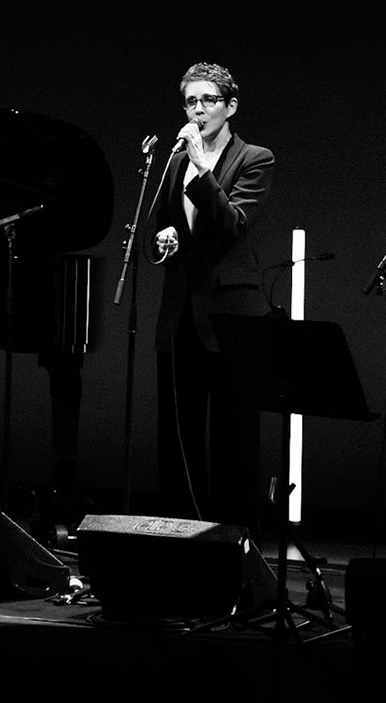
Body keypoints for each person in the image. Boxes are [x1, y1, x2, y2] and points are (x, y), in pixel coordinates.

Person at [147, 62, 275, 533]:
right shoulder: (176, 159)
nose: (198, 109)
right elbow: (159, 226)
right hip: (180, 311)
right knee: (177, 437)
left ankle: (234, 545)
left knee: (232, 439)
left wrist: (203, 169)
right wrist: (165, 236)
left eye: (208, 100)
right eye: (191, 101)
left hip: (230, 316)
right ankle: (178, 536)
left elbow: (233, 224)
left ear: (230, 106)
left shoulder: (255, 158)